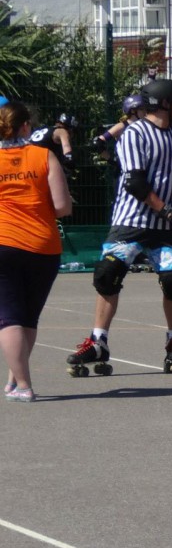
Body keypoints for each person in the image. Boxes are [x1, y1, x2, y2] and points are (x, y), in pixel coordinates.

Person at [66, 79, 172, 378]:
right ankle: (98, 341)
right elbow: (135, 182)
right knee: (107, 274)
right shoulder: (135, 133)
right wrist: (166, 209)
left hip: (165, 224)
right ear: (164, 104)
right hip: (130, 221)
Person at [0, 100, 73, 401]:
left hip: (4, 242)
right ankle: (14, 381)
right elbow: (62, 207)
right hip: (43, 245)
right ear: (26, 127)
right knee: (28, 317)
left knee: (8, 317)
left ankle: (24, 385)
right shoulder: (44, 156)